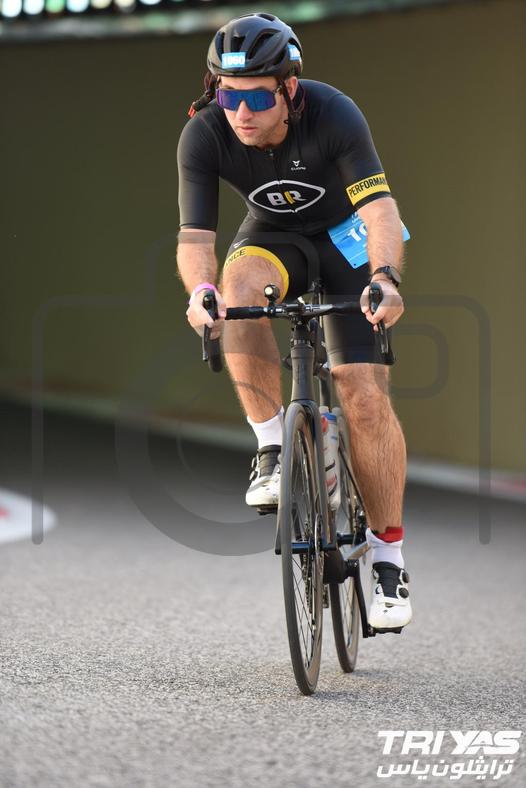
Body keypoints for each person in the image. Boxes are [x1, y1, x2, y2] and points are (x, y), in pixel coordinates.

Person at [177, 13, 411, 632]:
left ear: (290, 88)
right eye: (227, 95)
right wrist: (201, 292)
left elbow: (380, 211)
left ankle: (388, 556)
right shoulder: (203, 133)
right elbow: (195, 237)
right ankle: (272, 447)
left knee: (363, 394)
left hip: (344, 243)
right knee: (235, 293)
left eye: (256, 97)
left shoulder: (334, 113)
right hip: (273, 240)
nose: (240, 112)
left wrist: (385, 278)